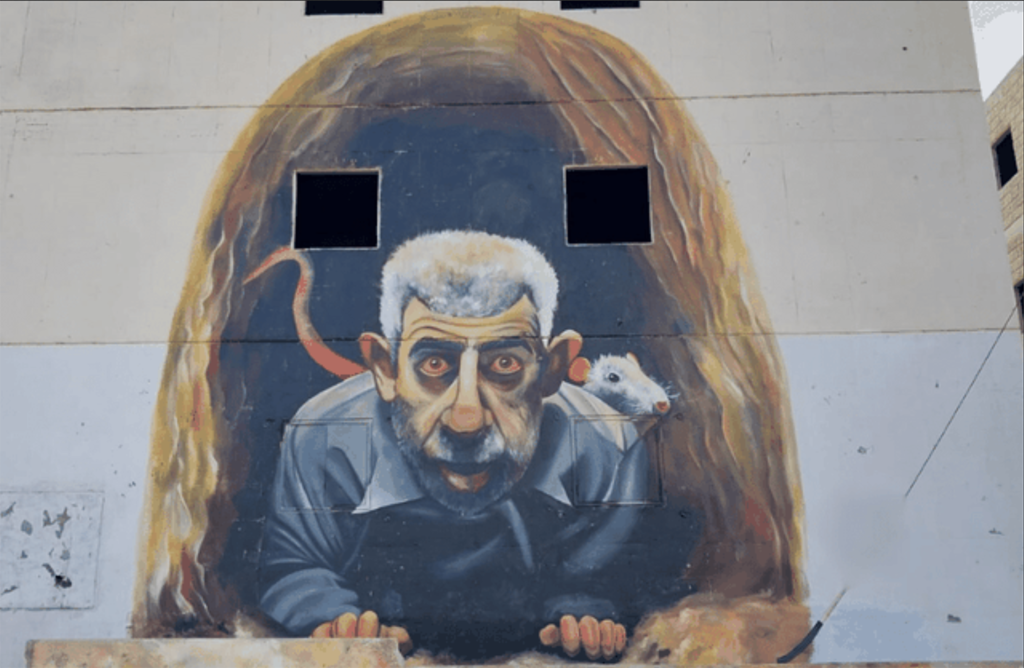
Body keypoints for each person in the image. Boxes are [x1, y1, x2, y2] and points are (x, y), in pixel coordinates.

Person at [258, 230, 700, 660]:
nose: (466, 420)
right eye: (435, 363)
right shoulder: (325, 437)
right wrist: (335, 618)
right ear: (385, 370)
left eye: (505, 364)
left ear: (552, 370)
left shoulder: (609, 447)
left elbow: (602, 579)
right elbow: (294, 567)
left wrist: (585, 612)